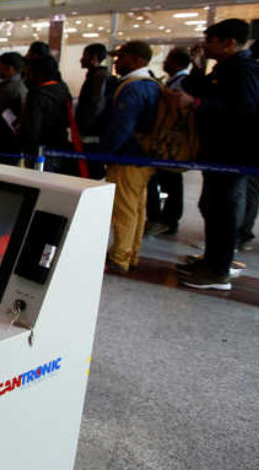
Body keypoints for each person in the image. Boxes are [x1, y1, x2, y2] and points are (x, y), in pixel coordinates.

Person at [176, 19, 259, 289]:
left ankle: (219, 270)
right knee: (211, 206)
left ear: (229, 43)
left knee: (225, 210)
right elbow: (196, 87)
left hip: (233, 154)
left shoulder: (244, 70)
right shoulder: (224, 68)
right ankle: (212, 260)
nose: (205, 44)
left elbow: (246, 111)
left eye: (210, 40)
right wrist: (198, 67)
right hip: (218, 151)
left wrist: (198, 104)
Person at [101, 41, 160, 274]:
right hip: (144, 157)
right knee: (136, 207)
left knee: (124, 208)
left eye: (121, 57)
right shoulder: (152, 84)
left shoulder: (132, 87)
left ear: (136, 60)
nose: (116, 62)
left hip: (127, 157)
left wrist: (107, 153)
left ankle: (119, 256)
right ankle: (131, 253)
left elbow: (121, 127)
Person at [144, 48, 192, 236]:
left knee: (170, 181)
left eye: (168, 59)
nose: (164, 62)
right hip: (165, 141)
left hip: (172, 143)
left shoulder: (183, 83)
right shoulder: (171, 82)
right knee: (162, 180)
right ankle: (163, 219)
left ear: (177, 63)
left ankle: (165, 220)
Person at [18, 55, 75, 174]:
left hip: (39, 152)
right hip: (59, 148)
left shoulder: (37, 96)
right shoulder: (63, 91)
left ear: (38, 73)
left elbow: (32, 129)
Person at [75, 43, 116, 179]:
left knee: (91, 171)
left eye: (84, 56)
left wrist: (84, 130)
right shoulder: (95, 75)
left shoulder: (99, 76)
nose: (81, 59)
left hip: (92, 135)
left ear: (94, 57)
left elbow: (96, 105)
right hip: (90, 133)